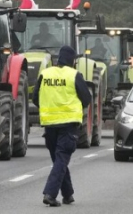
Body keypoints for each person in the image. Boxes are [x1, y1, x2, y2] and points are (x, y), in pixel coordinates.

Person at [32, 45, 91, 206]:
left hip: (49, 125)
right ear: (73, 61)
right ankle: (50, 194)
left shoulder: (45, 73)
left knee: (59, 160)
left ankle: (68, 194)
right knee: (61, 159)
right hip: (68, 125)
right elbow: (87, 99)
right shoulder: (74, 75)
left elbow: (35, 98)